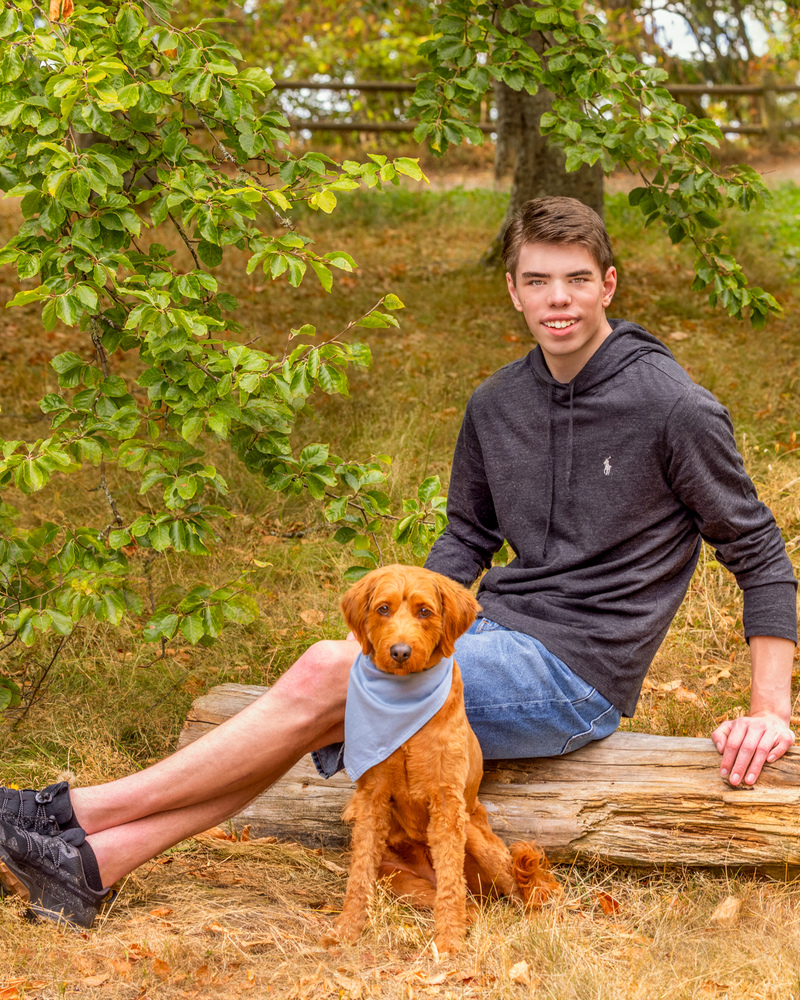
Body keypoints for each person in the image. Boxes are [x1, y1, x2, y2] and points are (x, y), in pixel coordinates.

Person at [0, 197, 796, 929]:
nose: (559, 299)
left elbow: (758, 549)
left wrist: (769, 709)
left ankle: (70, 813)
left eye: (577, 280)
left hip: (578, 674)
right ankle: (93, 863)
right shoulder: (497, 404)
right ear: (513, 291)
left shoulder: (672, 406)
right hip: (488, 638)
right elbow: (465, 541)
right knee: (339, 686)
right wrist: (406, 631)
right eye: (538, 281)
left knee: (328, 675)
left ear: (608, 285)